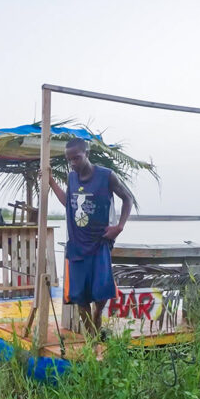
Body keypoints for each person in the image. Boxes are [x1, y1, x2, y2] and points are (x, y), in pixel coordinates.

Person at [49, 138, 134, 337]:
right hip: (77, 245)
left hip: (99, 243)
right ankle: (92, 338)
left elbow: (128, 198)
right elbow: (69, 204)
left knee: (101, 293)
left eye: (76, 158)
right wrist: (52, 183)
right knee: (79, 297)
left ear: (87, 154)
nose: (72, 163)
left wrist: (119, 227)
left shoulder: (106, 176)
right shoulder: (72, 177)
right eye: (69, 160)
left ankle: (97, 317)